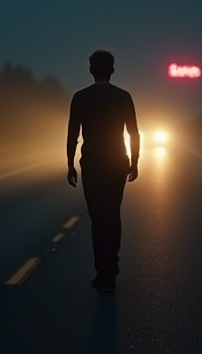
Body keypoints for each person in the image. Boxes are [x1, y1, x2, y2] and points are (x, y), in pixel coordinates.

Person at [67, 49, 139, 293]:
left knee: (98, 218)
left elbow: (73, 135)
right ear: (113, 69)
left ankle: (104, 271)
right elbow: (134, 132)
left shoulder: (80, 97)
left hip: (93, 164)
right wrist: (135, 161)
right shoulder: (124, 96)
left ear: (90, 70)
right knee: (113, 212)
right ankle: (112, 263)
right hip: (117, 162)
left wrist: (69, 163)